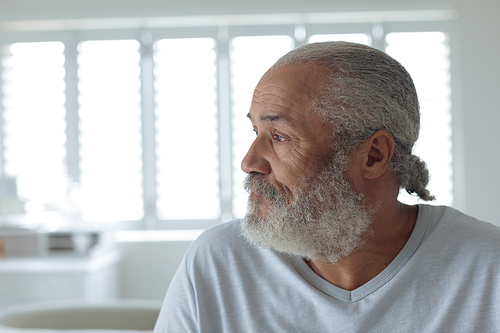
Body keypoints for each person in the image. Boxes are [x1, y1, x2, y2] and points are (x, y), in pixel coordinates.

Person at [154, 42, 500, 332]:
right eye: (255, 132)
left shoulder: (488, 270)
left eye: (279, 136)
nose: (250, 162)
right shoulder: (219, 262)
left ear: (373, 155)